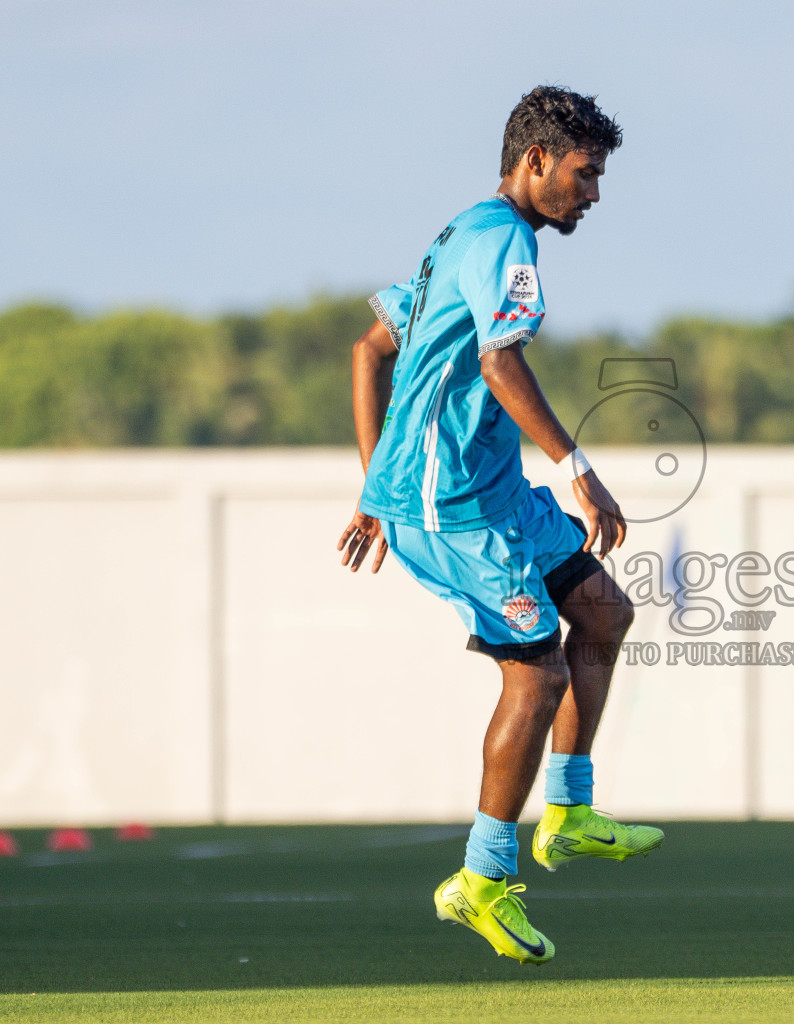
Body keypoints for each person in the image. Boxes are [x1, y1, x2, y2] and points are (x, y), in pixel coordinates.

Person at [338, 86, 660, 965]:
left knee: (603, 612)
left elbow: (372, 347)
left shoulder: (461, 235)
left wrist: (376, 480)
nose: (593, 194)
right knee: (537, 674)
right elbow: (498, 356)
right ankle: (481, 881)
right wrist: (579, 470)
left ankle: (569, 811)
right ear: (536, 163)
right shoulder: (506, 243)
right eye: (586, 175)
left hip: (485, 490)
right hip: (455, 510)